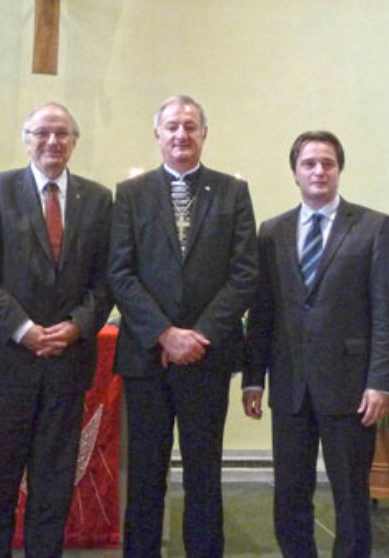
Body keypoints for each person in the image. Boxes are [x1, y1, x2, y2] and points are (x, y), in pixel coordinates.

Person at [108, 95, 258, 557]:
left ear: (204, 134)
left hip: (207, 357)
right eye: (171, 126)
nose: (181, 135)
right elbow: (119, 272)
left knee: (204, 474)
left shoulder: (232, 192)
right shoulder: (130, 194)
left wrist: (197, 336)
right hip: (146, 357)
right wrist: (164, 334)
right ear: (157, 135)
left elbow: (244, 273)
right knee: (146, 475)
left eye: (190, 126)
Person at [243, 131, 389, 557]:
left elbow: (387, 313)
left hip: (352, 388)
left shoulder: (371, 226)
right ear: (295, 172)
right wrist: (253, 379)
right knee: (290, 494)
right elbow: (262, 313)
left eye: (327, 163)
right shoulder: (272, 231)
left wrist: (381, 383)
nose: (318, 171)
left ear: (339, 170)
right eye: (309, 163)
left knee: (351, 496)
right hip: (291, 385)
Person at [0, 102, 112, 558]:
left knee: (53, 482)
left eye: (62, 134)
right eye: (42, 133)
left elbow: (107, 279)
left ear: (74, 142)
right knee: (0, 481)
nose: (53, 142)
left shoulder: (98, 198)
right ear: (26, 139)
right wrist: (23, 329)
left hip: (68, 362)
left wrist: (76, 327)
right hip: (8, 363)